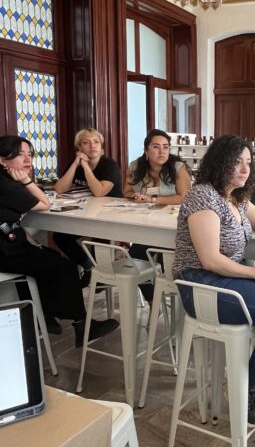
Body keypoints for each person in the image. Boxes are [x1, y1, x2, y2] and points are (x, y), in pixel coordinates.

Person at [173, 135, 255, 427]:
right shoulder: (203, 196)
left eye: (248, 162)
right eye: (237, 162)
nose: (245, 169)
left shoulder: (235, 197)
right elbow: (209, 259)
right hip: (202, 283)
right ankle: (246, 389)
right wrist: (253, 272)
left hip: (228, 275)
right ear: (220, 162)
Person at [0, 135, 118, 346]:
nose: (27, 160)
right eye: (20, 155)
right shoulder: (8, 186)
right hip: (5, 251)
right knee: (64, 268)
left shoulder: (109, 164)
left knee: (50, 256)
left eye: (29, 154)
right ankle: (83, 326)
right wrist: (27, 181)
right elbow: (44, 203)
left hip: (8, 245)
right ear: (3, 160)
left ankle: (45, 317)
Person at [124, 129, 191, 301]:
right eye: (156, 147)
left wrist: (152, 199)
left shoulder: (178, 168)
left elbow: (184, 197)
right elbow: (127, 191)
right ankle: (152, 299)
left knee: (164, 262)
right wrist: (136, 196)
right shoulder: (135, 166)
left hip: (173, 228)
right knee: (134, 260)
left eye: (166, 147)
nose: (162, 152)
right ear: (146, 150)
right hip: (147, 225)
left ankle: (173, 299)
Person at [53, 128, 122, 281]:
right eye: (86, 143)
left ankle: (102, 279)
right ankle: (88, 265)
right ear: (79, 148)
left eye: (96, 142)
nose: (93, 146)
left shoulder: (109, 165)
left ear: (101, 146)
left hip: (110, 214)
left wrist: (85, 167)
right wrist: (75, 164)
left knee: (99, 238)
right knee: (60, 236)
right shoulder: (75, 163)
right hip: (86, 212)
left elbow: (99, 192)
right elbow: (59, 189)